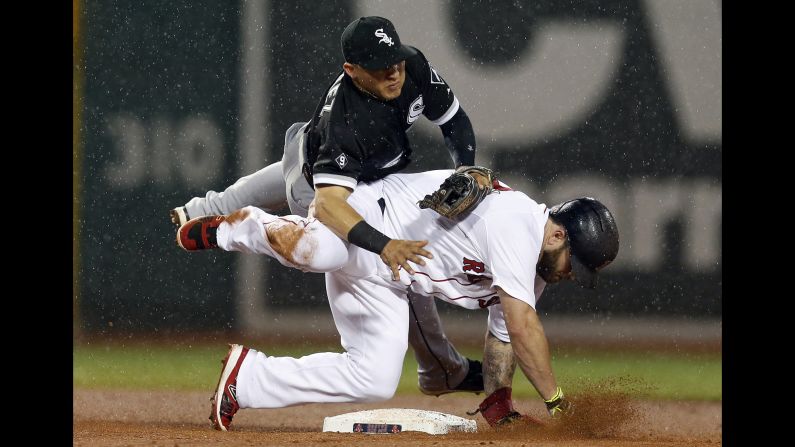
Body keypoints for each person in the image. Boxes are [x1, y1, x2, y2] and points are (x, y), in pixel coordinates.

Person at [171, 16, 485, 397]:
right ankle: (235, 227)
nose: (393, 73)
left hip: (349, 168)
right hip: (316, 182)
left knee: (407, 265)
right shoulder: (348, 121)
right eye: (381, 66)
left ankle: (200, 210)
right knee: (327, 251)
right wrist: (384, 245)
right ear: (351, 70)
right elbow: (331, 204)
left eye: (396, 61)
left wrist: (466, 168)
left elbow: (454, 120)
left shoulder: (411, 65)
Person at [175, 169, 620, 431]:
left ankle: (248, 379)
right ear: (558, 234)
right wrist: (558, 401)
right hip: (366, 223)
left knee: (373, 378)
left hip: (392, 277)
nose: (567, 275)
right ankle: (243, 225)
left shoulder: (530, 270)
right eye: (571, 264)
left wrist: (497, 402)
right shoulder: (517, 224)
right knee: (319, 251)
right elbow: (524, 329)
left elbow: (504, 337)